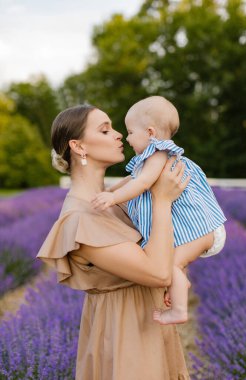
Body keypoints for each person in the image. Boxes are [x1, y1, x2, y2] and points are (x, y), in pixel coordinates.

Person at [36, 104, 191, 380]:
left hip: (152, 323)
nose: (119, 134)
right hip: (125, 337)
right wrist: (163, 200)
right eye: (105, 130)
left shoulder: (115, 200)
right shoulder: (80, 219)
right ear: (78, 146)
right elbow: (157, 272)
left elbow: (165, 252)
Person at [92, 96, 226, 325]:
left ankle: (180, 311)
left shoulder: (158, 153)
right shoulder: (149, 159)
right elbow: (131, 180)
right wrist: (110, 189)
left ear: (151, 133)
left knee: (171, 264)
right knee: (172, 262)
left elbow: (142, 183)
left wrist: (113, 198)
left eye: (131, 132)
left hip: (203, 229)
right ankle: (178, 287)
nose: (127, 137)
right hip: (199, 229)